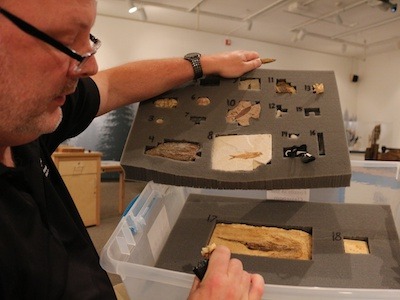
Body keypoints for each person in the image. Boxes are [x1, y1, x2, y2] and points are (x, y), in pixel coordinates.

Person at [0, 0, 265, 299]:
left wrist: (202, 64)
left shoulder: (22, 122)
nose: (91, 66)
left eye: (88, 41)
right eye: (64, 41)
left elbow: (112, 84)